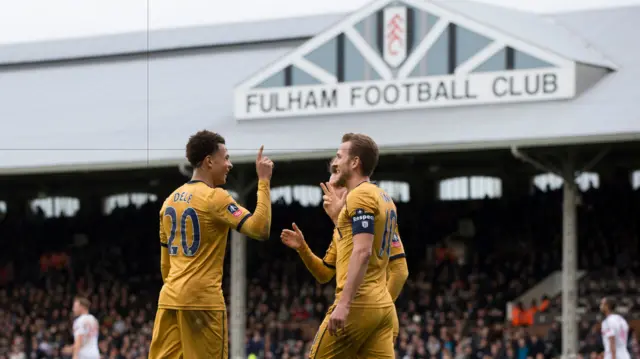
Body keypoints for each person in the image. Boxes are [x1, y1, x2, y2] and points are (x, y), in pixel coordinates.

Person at [148, 130, 274, 359]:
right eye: (225, 158)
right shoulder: (215, 197)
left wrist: (178, 290)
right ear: (209, 161)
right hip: (202, 301)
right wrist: (263, 182)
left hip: (169, 299)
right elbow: (260, 228)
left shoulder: (168, 202)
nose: (230, 164)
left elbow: (165, 265)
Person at [281, 159, 409, 346]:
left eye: (336, 186)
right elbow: (324, 273)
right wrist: (303, 248)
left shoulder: (374, 217)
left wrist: (377, 309)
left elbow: (400, 271)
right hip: (367, 313)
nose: (329, 194)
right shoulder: (341, 229)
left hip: (363, 311)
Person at [297, 133, 396, 358]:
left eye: (340, 156)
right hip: (381, 307)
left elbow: (362, 251)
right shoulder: (384, 198)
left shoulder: (359, 196)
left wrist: (344, 304)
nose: (335, 162)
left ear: (355, 162)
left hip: (358, 304)